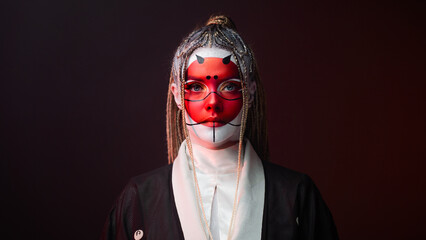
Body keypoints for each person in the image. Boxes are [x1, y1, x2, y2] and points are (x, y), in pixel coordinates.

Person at [100, 15, 339, 240]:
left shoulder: (296, 195)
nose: (213, 103)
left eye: (229, 87)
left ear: (251, 92)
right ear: (176, 95)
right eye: (195, 87)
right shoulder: (138, 199)